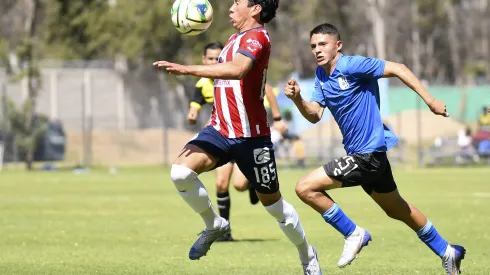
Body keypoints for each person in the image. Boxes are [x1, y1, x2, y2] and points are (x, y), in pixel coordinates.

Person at [153, 1, 322, 274]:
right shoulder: (234, 39)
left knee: (275, 207)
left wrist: (187, 68)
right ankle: (214, 224)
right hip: (219, 130)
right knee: (180, 173)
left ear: (255, 9)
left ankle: (307, 254)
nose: (231, 7)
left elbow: (238, 70)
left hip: (252, 138)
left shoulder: (258, 37)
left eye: (237, 3)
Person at [284, 23, 465, 275]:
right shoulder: (321, 75)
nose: (317, 50)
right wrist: (297, 99)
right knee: (396, 209)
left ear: (338, 45)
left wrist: (431, 100)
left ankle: (353, 233)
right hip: (369, 156)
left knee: (304, 187)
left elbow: (399, 69)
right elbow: (314, 114)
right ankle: (447, 252)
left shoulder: (351, 65)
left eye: (323, 44)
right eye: (313, 46)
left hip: (367, 154)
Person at [186, 42, 288, 241]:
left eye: (218, 58)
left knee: (239, 185)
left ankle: (252, 184)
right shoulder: (202, 84)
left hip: (245, 138)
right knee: (221, 183)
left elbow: (266, 88)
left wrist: (277, 118)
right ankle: (224, 232)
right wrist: (193, 114)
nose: (215, 62)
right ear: (204, 60)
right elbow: (195, 105)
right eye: (211, 59)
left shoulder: (233, 76)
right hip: (222, 138)